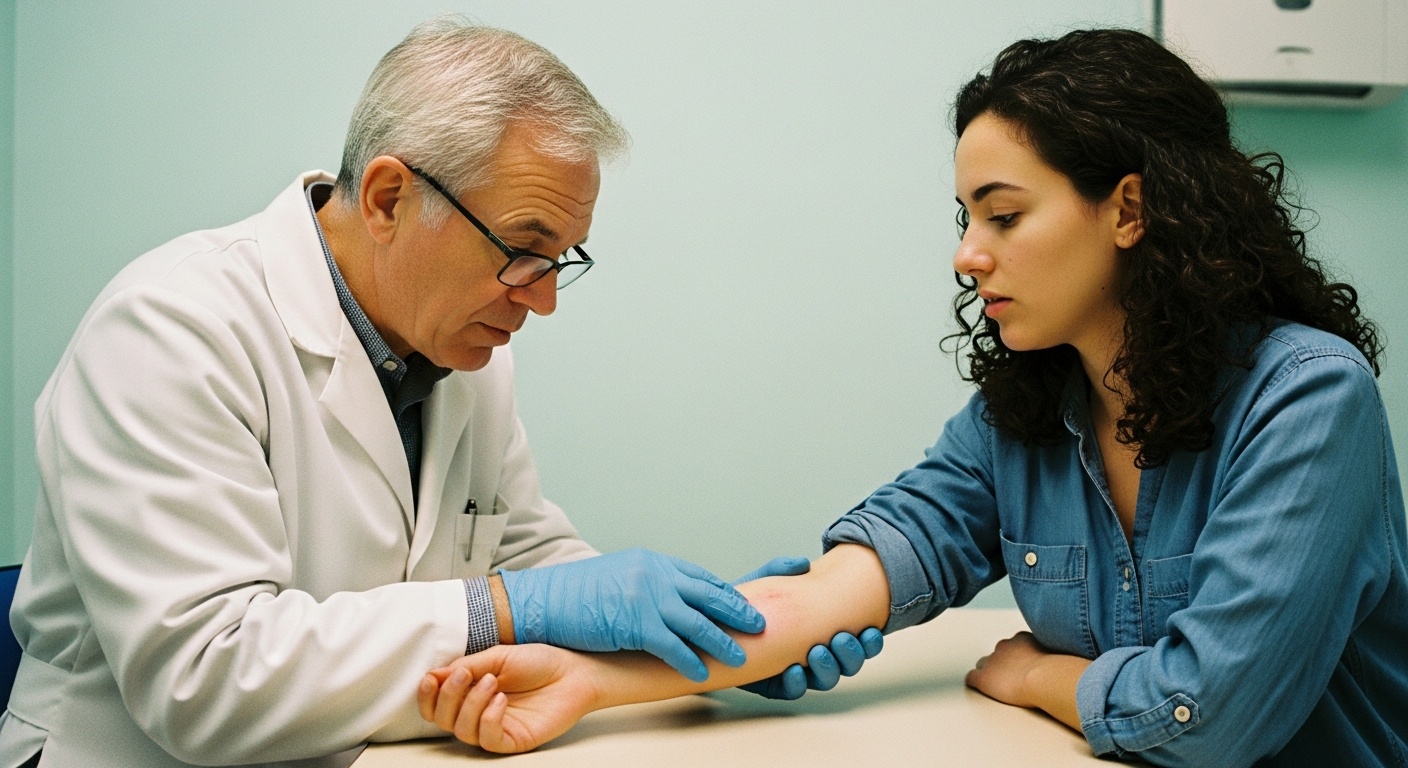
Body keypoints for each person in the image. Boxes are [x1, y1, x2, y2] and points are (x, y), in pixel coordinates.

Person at [417, 27, 1408, 767]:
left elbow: (1213, 713)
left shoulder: (1308, 402)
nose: (968, 254)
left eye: (1004, 214)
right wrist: (594, 683)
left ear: (1129, 208)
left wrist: (1039, 678)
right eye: (967, 214)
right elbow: (819, 601)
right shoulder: (1016, 421)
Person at [0, 18, 872, 768]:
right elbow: (205, 680)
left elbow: (532, 558)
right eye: (524, 248)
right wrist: (510, 608)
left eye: (562, 258)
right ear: (387, 197)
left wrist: (702, 636)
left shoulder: (461, 352)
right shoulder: (170, 329)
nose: (544, 297)